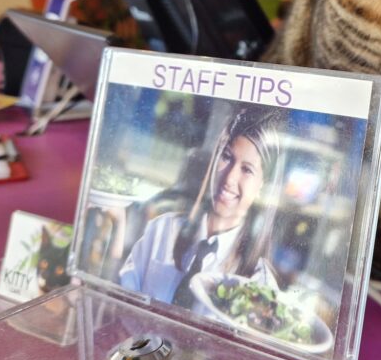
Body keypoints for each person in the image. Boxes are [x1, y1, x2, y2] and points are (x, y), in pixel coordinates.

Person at [118, 105, 282, 306]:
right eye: (227, 157)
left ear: (262, 188)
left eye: (247, 170)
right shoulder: (161, 231)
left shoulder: (260, 285)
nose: (230, 178)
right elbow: (120, 304)